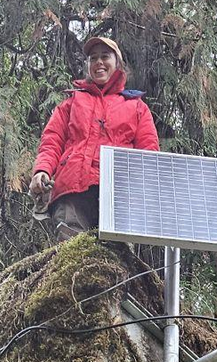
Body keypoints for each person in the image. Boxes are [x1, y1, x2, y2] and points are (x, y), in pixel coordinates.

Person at [29, 35, 160, 238]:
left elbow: (149, 153)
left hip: (119, 194)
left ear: (117, 63)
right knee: (71, 255)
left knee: (115, 260)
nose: (99, 62)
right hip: (72, 191)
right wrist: (42, 170)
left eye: (105, 56)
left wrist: (144, 195)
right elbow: (52, 141)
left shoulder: (136, 107)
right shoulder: (71, 103)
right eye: (93, 58)